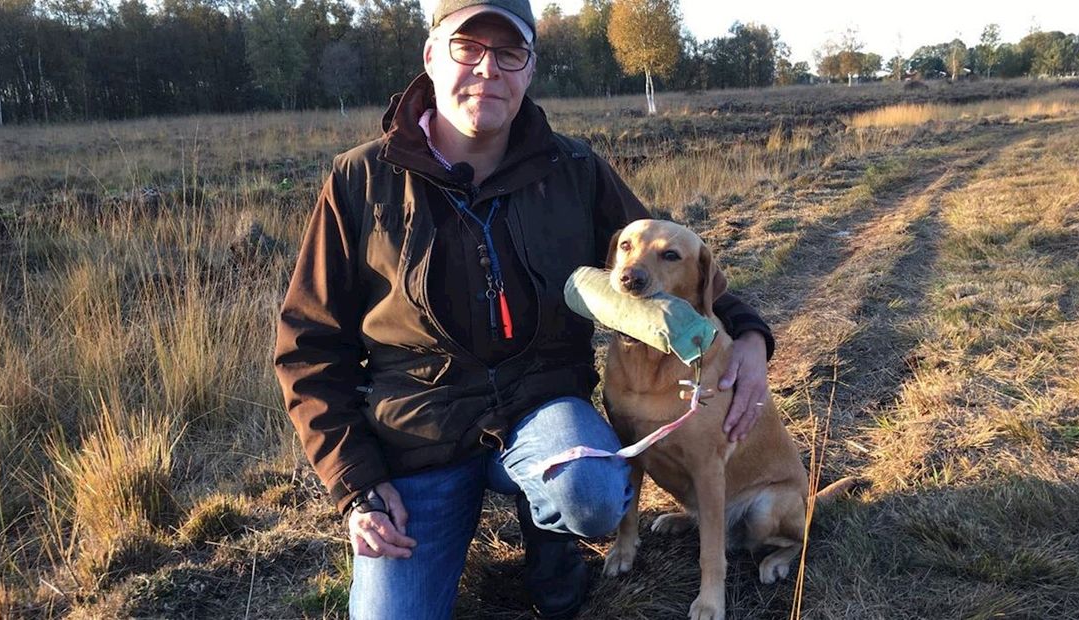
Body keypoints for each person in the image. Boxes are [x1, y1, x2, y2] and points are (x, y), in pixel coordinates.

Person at [273, 1, 775, 618]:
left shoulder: (574, 169)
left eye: (509, 53)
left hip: (543, 408)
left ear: (530, 68)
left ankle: (553, 545)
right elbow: (308, 344)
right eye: (467, 48)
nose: (488, 69)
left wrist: (749, 336)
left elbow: (668, 264)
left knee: (591, 494)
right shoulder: (360, 180)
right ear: (430, 57)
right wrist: (356, 483)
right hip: (417, 433)